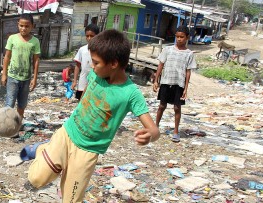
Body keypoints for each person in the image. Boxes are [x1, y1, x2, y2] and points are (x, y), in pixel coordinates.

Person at [20, 30, 160, 202]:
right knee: (37, 179)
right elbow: (86, 94)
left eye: (96, 62)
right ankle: (42, 149)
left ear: (114, 63)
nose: (92, 66)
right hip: (67, 134)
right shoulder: (96, 73)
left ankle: (55, 159)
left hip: (87, 151)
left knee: (71, 200)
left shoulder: (131, 93)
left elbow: (154, 130)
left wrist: (149, 136)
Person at [153, 25, 197, 143]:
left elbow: (188, 72)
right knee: (162, 106)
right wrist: (156, 80)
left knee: (177, 108)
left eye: (182, 37)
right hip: (166, 81)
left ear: (187, 37)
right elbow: (160, 65)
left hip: (179, 84)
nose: (179, 39)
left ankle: (176, 132)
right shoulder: (168, 49)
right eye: (177, 37)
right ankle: (155, 127)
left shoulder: (189, 54)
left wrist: (186, 89)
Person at [1, 14, 41, 118]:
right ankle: (8, 127)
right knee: (9, 103)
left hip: (26, 78)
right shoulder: (12, 38)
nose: (24, 28)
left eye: (27, 26)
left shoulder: (35, 41)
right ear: (18, 25)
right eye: (21, 26)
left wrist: (35, 78)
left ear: (32, 26)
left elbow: (36, 60)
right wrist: (4, 74)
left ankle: (18, 125)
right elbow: (7, 57)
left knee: (22, 105)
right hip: (12, 77)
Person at [72, 24, 100, 100]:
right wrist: (74, 81)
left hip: (96, 81)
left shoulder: (101, 50)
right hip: (83, 81)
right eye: (87, 36)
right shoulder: (82, 50)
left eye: (92, 36)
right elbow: (77, 66)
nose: (89, 38)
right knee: (81, 101)